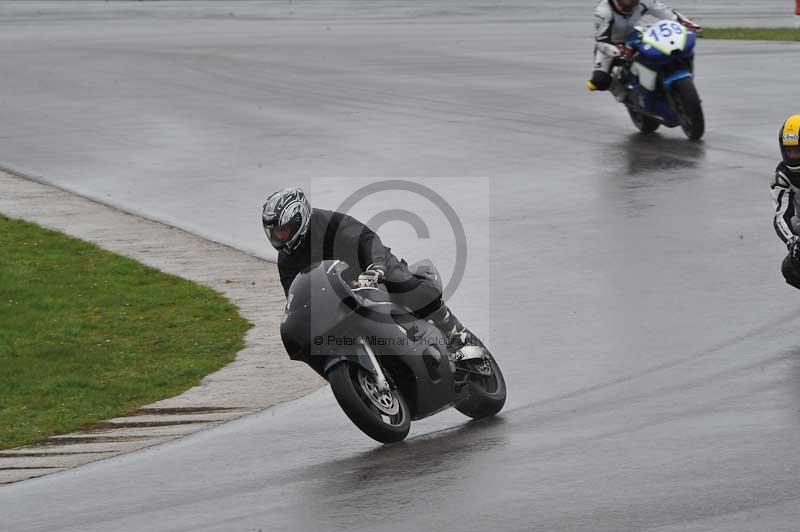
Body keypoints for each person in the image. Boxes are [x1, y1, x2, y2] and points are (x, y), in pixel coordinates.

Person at [261, 187, 478, 352]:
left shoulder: (327, 222)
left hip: (370, 269)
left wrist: (376, 267)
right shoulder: (286, 260)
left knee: (401, 283)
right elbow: (295, 294)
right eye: (274, 232)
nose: (279, 237)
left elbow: (365, 238)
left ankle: (452, 329)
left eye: (282, 231)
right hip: (340, 294)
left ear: (299, 218)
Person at [587, 0, 701, 92]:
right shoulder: (603, 11)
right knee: (599, 81)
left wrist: (687, 23)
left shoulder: (644, 2)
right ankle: (622, 94)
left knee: (664, 51)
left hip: (634, 36)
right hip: (611, 44)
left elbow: (666, 12)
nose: (631, 4)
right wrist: (619, 51)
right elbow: (601, 41)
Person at [772, 114, 800, 289]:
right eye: (790, 151)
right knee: (790, 267)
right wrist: (793, 240)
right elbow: (781, 215)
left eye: (797, 150)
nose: (793, 156)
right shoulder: (783, 177)